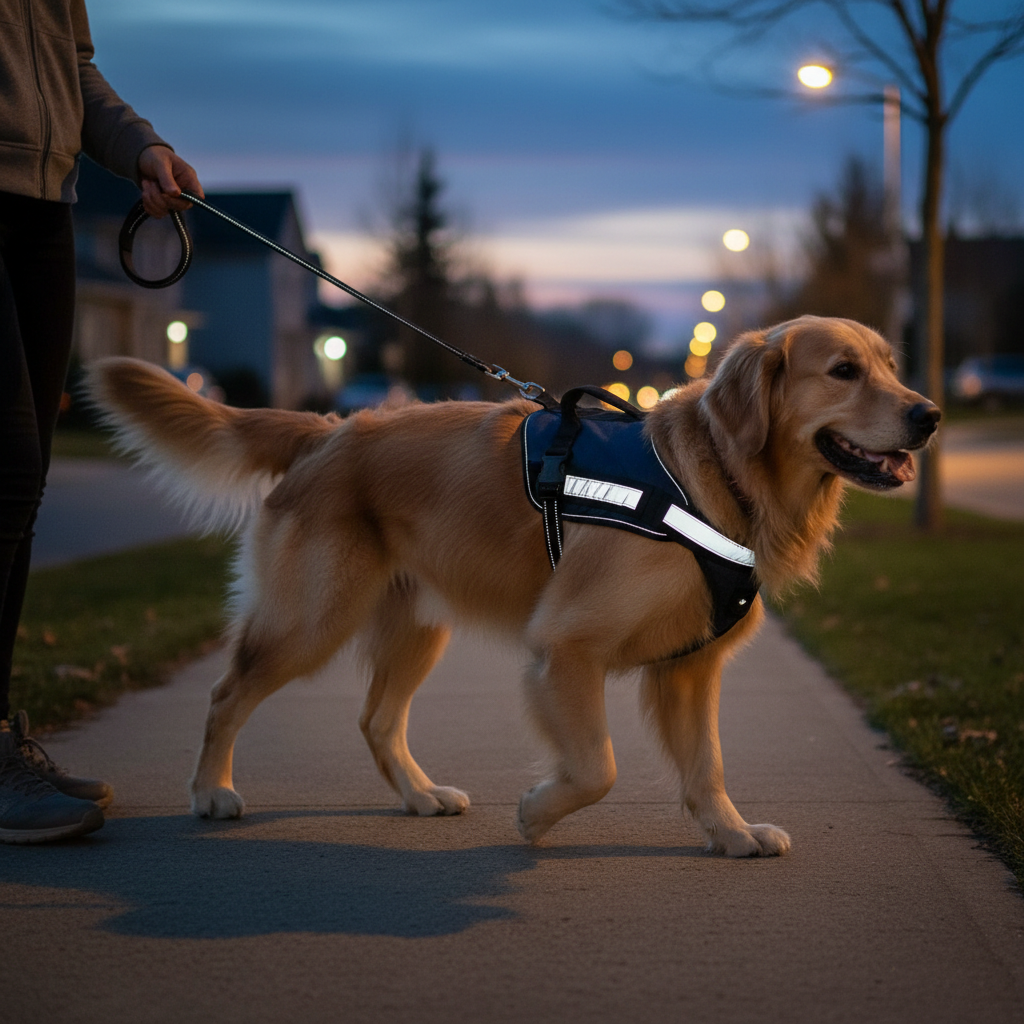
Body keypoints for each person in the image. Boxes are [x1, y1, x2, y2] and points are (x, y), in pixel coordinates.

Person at [0, 0, 204, 842]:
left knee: (28, 481)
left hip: (41, 206)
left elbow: (70, 63)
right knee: (6, 470)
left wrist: (139, 146)